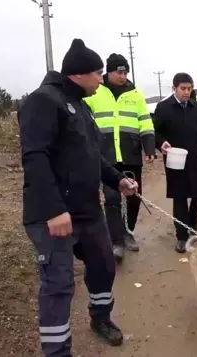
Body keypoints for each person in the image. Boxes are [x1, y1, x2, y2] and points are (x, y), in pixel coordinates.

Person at [18, 38, 139, 356]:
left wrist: (118, 180)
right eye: (98, 73)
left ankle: (100, 318)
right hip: (52, 215)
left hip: (86, 210)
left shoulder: (81, 108)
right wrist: (54, 210)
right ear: (79, 74)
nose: (102, 79)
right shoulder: (44, 102)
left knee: (104, 266)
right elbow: (35, 157)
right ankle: (57, 351)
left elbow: (92, 157)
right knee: (58, 285)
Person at [84, 53, 155, 263]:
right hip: (106, 156)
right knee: (112, 199)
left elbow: (145, 121)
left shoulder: (135, 94)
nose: (123, 76)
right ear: (109, 71)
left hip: (131, 154)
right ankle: (116, 242)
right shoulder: (94, 93)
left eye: (125, 72)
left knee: (134, 196)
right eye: (119, 71)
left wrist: (149, 146)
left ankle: (127, 230)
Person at [152, 73, 197, 253]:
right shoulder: (163, 108)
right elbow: (155, 132)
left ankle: (191, 222)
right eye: (183, 89)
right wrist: (160, 143)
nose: (187, 92)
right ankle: (181, 236)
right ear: (174, 88)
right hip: (174, 159)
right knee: (179, 197)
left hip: (194, 157)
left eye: (189, 88)